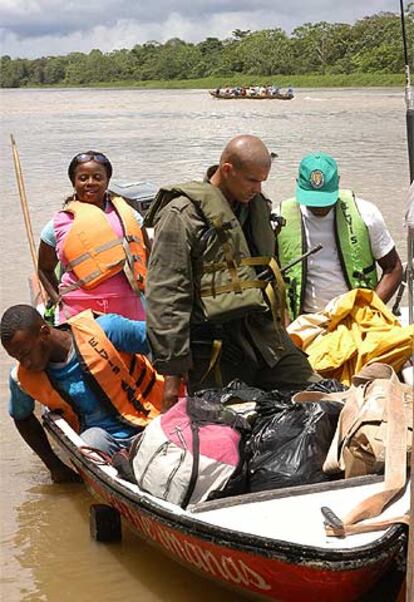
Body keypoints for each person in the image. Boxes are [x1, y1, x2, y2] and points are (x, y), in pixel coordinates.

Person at [144, 135, 320, 412]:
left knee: (319, 397)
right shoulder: (182, 215)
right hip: (213, 347)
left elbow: (267, 274)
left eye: (262, 180)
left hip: (264, 338)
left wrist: (282, 323)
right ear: (227, 170)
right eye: (252, 180)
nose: (257, 188)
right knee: (227, 429)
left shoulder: (256, 207)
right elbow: (167, 296)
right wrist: (171, 378)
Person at [1, 304, 164, 483]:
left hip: (154, 419)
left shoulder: (106, 330)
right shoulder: (22, 379)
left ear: (44, 333)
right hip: (104, 441)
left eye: (25, 353)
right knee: (88, 444)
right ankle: (124, 468)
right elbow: (22, 417)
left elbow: (165, 342)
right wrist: (54, 466)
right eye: (16, 357)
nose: (25, 363)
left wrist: (173, 395)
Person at [277, 152, 403, 321]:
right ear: (297, 185)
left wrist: (370, 313)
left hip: (357, 316)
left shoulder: (365, 213)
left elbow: (393, 268)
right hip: (304, 320)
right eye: (312, 200)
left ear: (338, 182)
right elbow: (269, 279)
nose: (319, 207)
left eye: (325, 200)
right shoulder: (278, 220)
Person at [38, 151, 147, 323]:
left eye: (97, 177)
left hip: (128, 310)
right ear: (74, 182)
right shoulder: (59, 222)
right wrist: (58, 299)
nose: (90, 183)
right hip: (78, 312)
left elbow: (150, 257)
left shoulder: (128, 216)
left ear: (107, 181)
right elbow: (44, 269)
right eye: (83, 178)